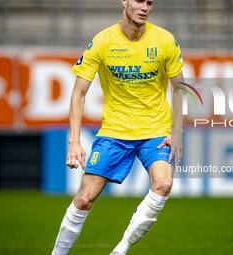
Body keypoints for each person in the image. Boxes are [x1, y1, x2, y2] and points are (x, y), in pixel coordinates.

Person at [52, 0, 185, 254]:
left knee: (163, 184)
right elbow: (79, 93)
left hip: (155, 130)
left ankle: (120, 249)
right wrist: (74, 140)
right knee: (83, 199)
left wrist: (176, 132)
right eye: (139, 1)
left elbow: (179, 88)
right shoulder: (102, 42)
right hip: (115, 131)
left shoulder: (165, 40)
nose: (145, 7)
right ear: (124, 1)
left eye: (150, 2)